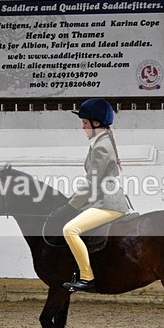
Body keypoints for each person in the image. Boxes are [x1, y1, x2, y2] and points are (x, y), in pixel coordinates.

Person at [59, 98, 130, 292]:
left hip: (108, 202)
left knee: (70, 230)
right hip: (100, 199)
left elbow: (92, 183)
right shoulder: (102, 141)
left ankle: (87, 277)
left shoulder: (101, 146)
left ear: (96, 123)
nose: (82, 127)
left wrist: (70, 206)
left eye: (84, 122)